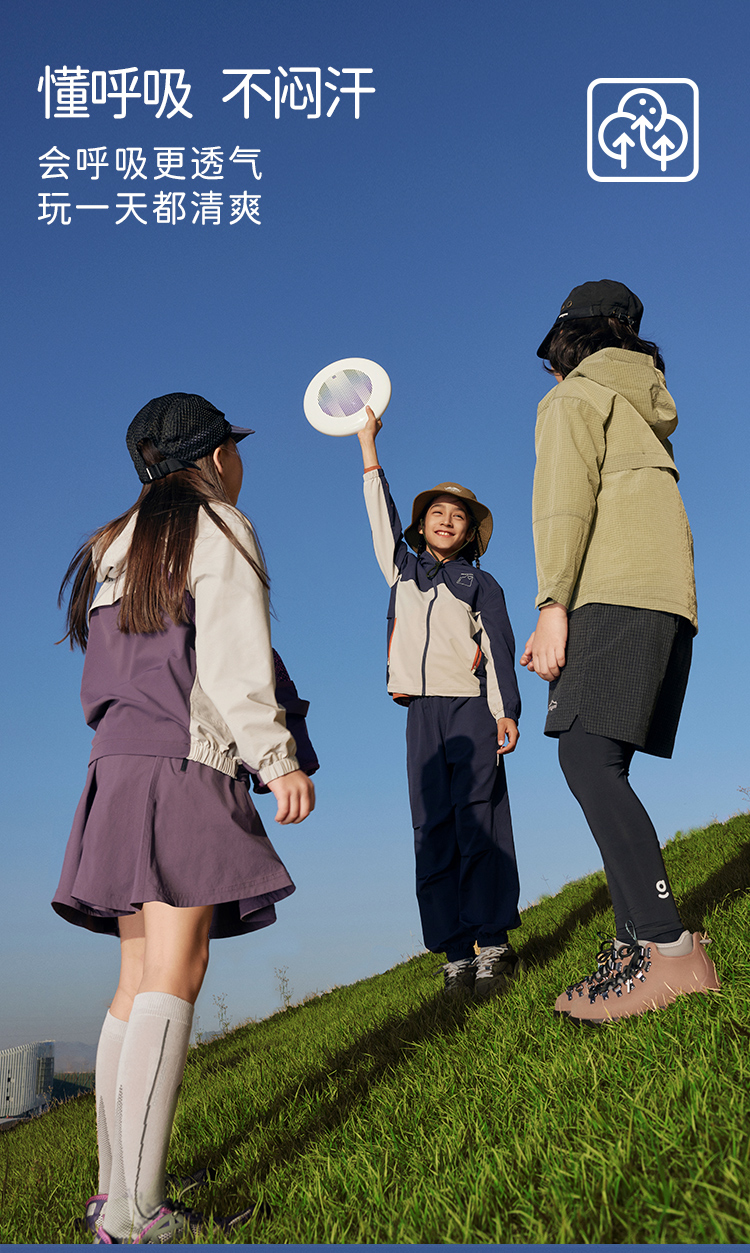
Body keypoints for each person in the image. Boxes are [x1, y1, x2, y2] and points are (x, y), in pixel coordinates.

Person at [53, 393, 316, 1243]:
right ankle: (139, 1213)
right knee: (177, 969)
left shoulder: (114, 542)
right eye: (235, 450)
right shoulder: (219, 526)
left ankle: (114, 1190)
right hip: (183, 760)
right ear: (215, 457)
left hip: (114, 765)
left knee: (135, 978)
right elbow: (235, 659)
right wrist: (276, 758)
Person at [521, 280, 720, 1025]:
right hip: (666, 598)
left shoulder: (573, 399)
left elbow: (563, 506)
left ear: (569, 342)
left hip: (611, 593)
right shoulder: (643, 405)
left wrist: (552, 606)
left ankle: (670, 950)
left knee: (587, 759)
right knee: (599, 760)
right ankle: (635, 945)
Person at [357, 406, 523, 998]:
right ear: (420, 524)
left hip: (471, 710)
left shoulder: (483, 585)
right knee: (432, 829)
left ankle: (493, 944)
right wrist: (368, 446)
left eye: (458, 516)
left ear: (471, 532)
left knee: (480, 820)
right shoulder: (401, 570)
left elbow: (499, 653)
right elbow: (378, 515)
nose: (447, 521)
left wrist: (506, 712)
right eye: (436, 513)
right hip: (421, 716)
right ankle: (455, 954)